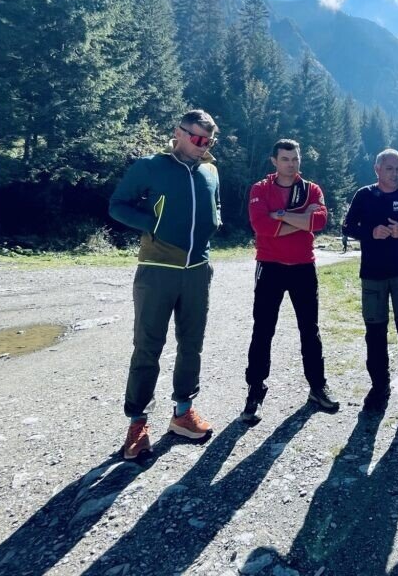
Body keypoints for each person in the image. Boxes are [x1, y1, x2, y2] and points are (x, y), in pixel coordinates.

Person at [108, 110, 222, 460]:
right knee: (147, 346)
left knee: (192, 344)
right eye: (198, 139)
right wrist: (153, 224)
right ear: (179, 133)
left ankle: (183, 413)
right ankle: (137, 424)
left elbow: (215, 205)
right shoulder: (151, 166)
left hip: (197, 270)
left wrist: (216, 220)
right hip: (158, 268)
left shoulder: (210, 170)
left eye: (209, 141)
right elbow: (118, 205)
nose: (203, 146)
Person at [241, 139, 339, 424]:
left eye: (295, 158)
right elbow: (261, 225)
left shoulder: (311, 190)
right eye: (285, 159)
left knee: (310, 329)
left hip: (303, 267)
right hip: (270, 266)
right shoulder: (260, 189)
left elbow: (319, 222)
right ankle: (255, 390)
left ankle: (317, 386)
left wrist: (282, 215)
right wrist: (301, 220)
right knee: (263, 329)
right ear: (274, 161)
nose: (291, 164)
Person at [342, 148, 398, 429]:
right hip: (372, 275)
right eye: (390, 168)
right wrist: (370, 232)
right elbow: (347, 226)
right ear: (377, 169)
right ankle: (379, 387)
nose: (394, 174)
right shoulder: (364, 195)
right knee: (375, 334)